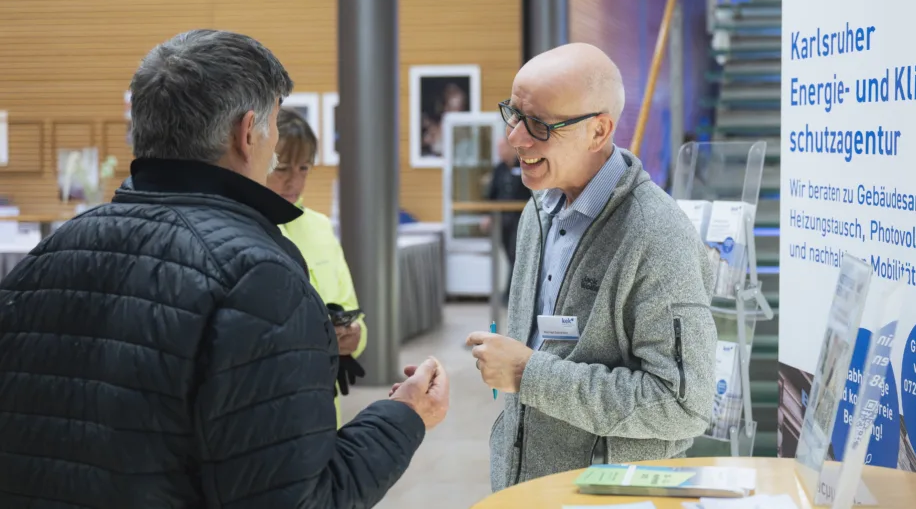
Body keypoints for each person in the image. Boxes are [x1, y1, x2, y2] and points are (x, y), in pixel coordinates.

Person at [0, 30, 449, 508]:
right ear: (247, 132)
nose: (278, 153)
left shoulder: (46, 257)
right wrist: (404, 416)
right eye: (274, 128)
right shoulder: (259, 278)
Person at [466, 42, 717, 490]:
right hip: (529, 489)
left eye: (539, 124)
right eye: (514, 114)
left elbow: (682, 405)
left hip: (607, 494)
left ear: (598, 131)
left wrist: (527, 373)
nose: (516, 138)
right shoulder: (538, 211)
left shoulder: (656, 235)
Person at [267, 107, 368, 427]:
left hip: (324, 409)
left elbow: (351, 309)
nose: (294, 181)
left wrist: (354, 337)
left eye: (304, 168)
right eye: (282, 168)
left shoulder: (320, 227)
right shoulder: (244, 227)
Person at [481, 137, 532, 305]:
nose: (499, 152)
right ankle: (511, 294)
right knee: (510, 256)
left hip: (520, 218)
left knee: (515, 254)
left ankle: (510, 295)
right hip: (502, 219)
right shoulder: (499, 169)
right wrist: (488, 215)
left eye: (502, 148)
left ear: (511, 149)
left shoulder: (523, 165)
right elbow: (492, 195)